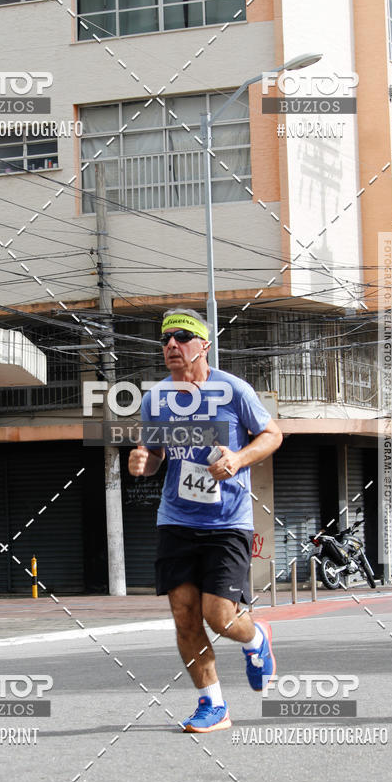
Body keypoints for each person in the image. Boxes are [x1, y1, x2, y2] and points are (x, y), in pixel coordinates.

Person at [128, 308, 283, 733]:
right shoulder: (155, 399)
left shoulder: (233, 390)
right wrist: (144, 460)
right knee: (184, 617)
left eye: (181, 337)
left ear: (203, 345)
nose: (171, 345)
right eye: (165, 339)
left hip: (227, 522)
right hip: (176, 519)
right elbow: (156, 454)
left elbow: (273, 435)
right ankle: (213, 704)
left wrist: (238, 457)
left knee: (220, 617)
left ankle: (255, 639)